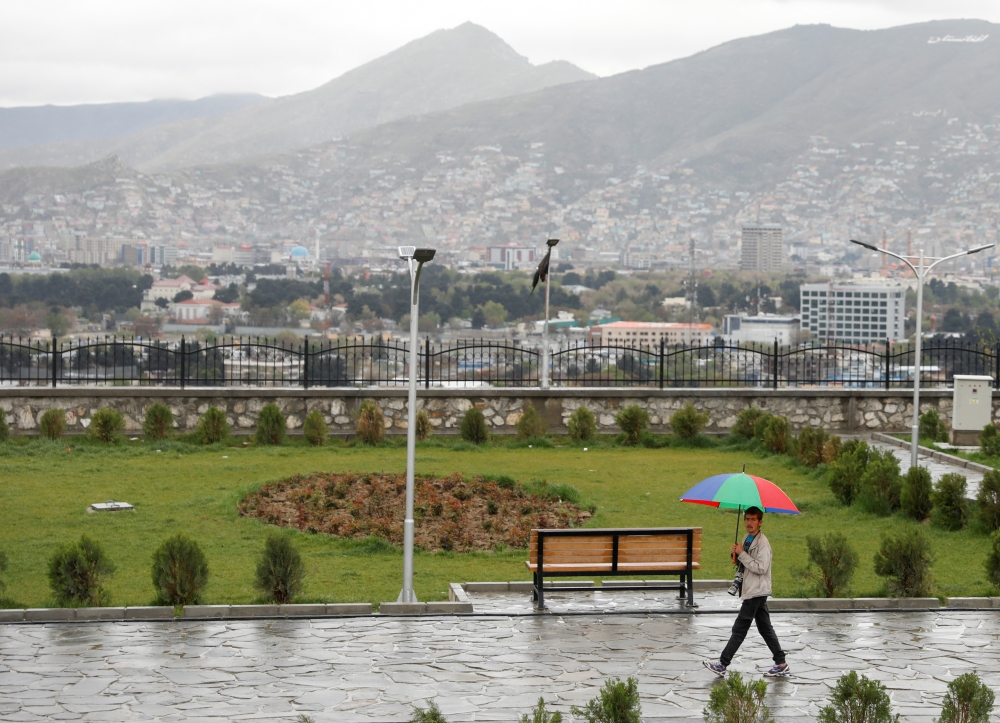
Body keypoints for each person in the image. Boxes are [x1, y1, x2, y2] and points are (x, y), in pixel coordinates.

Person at [703, 506, 788, 677]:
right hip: (750, 589)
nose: (749, 523)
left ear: (760, 522)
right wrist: (735, 554)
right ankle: (781, 663)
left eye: (753, 519)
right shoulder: (747, 538)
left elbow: (761, 568)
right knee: (765, 628)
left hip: (756, 591)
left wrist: (742, 553)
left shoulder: (762, 543)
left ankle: (722, 663)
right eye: (747, 519)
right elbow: (743, 564)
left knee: (739, 628)